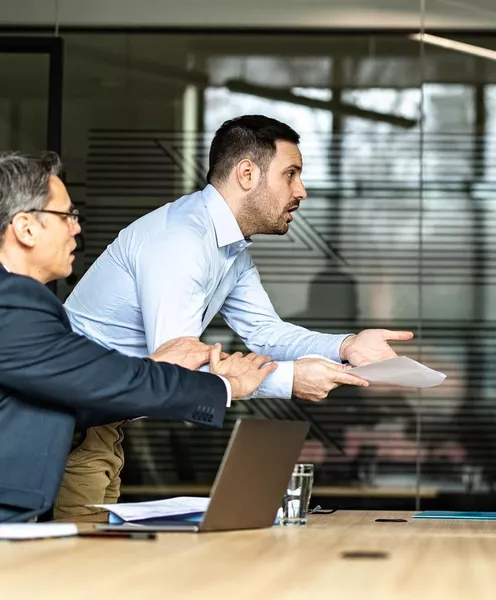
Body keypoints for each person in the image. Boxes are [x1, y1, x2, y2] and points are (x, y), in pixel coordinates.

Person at [59, 115, 414, 518]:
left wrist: (346, 345)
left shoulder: (229, 250)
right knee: (76, 565)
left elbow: (264, 332)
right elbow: (176, 374)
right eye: (291, 174)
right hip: (68, 423)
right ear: (247, 173)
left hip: (102, 423)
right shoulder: (181, 241)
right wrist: (290, 379)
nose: (302, 190)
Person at [0, 152, 275, 523]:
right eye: (66, 216)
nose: (76, 228)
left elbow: (68, 397)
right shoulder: (13, 301)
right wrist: (223, 386)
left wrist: (151, 367)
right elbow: (102, 380)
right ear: (25, 227)